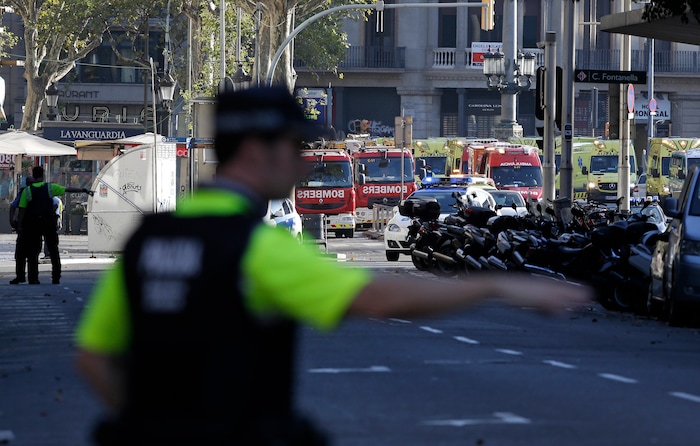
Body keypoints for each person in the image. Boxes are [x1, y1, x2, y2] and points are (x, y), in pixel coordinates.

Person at [74, 86, 592, 446]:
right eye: (295, 147)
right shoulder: (256, 248)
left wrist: (153, 426)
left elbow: (93, 356)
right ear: (256, 150)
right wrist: (497, 287)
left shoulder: (148, 239)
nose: (304, 162)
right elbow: (378, 298)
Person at [17, 165, 92, 285]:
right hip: (48, 223)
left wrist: (20, 227)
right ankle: (56, 277)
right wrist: (83, 190)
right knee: (53, 250)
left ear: (33, 176)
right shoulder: (50, 188)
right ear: (43, 175)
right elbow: (68, 189)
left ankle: (33, 278)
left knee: (33, 252)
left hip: (33, 224)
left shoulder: (27, 191)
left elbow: (21, 211)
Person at [8, 176, 33, 284]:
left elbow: (13, 206)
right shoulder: (41, 191)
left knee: (21, 254)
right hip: (33, 225)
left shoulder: (24, 192)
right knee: (31, 253)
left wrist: (12, 220)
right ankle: (33, 277)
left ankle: (21, 276)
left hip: (24, 226)